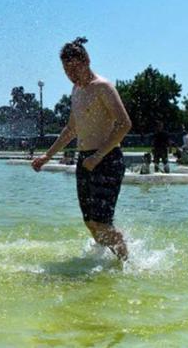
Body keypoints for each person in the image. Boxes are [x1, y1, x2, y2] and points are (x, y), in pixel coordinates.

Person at [31, 37, 131, 260]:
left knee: (101, 223)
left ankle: (126, 264)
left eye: (75, 68)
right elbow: (70, 130)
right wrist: (47, 156)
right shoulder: (76, 90)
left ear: (87, 61)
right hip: (85, 160)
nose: (71, 74)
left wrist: (98, 156)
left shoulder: (103, 87)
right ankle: (113, 257)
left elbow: (124, 124)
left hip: (107, 159)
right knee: (90, 224)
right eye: (66, 70)